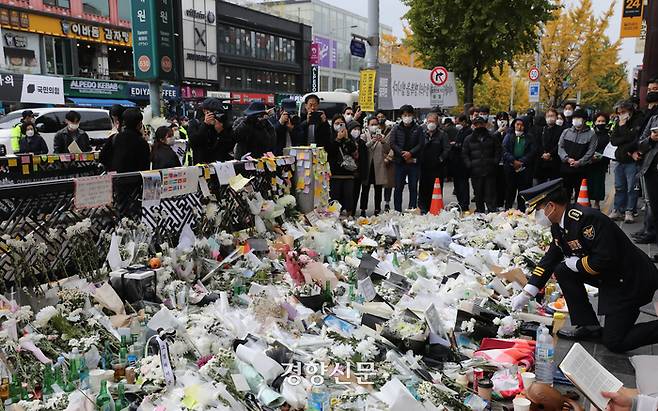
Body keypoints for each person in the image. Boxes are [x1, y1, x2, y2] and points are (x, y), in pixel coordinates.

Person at [513, 179, 658, 353]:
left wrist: (578, 264)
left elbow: (605, 259)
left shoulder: (588, 220)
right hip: (611, 274)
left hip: (630, 280)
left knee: (614, 342)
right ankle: (588, 325)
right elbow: (550, 258)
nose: (536, 215)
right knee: (562, 270)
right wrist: (528, 292)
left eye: (537, 210)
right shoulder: (559, 225)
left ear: (551, 206)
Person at [609, 100, 645, 223]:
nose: (621, 115)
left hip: (631, 161)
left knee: (631, 187)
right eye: (619, 113)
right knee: (619, 186)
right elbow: (613, 140)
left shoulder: (638, 120)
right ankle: (617, 209)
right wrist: (624, 134)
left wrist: (623, 127)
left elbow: (634, 138)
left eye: (623, 112)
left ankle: (629, 211)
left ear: (630, 110)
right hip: (619, 158)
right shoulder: (619, 122)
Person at [462, 116, 500, 213]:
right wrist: (469, 164)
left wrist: (495, 161)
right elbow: (465, 153)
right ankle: (480, 211)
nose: (479, 126)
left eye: (481, 124)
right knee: (478, 193)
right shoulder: (468, 139)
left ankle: (492, 211)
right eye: (476, 124)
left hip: (489, 169)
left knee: (490, 192)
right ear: (473, 126)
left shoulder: (492, 137)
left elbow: (498, 150)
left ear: (485, 125)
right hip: (475, 171)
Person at [558, 109, 597, 202]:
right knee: (565, 193)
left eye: (578, 118)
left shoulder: (591, 134)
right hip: (566, 168)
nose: (576, 120)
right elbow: (560, 147)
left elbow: (591, 151)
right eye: (574, 117)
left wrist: (579, 162)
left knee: (580, 195)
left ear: (584, 119)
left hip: (581, 170)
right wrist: (567, 159)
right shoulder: (566, 132)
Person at [390, 105, 423, 212]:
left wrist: (411, 153)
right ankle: (397, 211)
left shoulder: (418, 129)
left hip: (413, 162)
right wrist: (402, 153)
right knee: (398, 187)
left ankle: (412, 209)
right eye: (405, 115)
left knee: (413, 187)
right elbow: (392, 143)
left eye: (409, 115)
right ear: (401, 116)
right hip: (400, 162)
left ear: (412, 116)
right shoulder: (396, 128)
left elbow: (421, 144)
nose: (407, 117)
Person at [418, 112, 450, 214]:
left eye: (433, 121)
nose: (431, 123)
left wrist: (440, 159)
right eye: (429, 121)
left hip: (437, 167)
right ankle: (423, 208)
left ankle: (436, 207)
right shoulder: (422, 134)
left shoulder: (442, 135)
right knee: (424, 188)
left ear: (437, 122)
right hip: (424, 166)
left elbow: (447, 149)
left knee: (436, 188)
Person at [359, 117, 391, 216]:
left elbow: (387, 149)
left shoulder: (382, 136)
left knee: (378, 189)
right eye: (372, 124)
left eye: (376, 124)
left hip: (379, 166)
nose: (374, 126)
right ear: (368, 125)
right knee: (365, 189)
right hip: (367, 166)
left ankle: (377, 209)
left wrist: (383, 141)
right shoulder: (364, 135)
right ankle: (363, 209)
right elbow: (363, 148)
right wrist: (372, 141)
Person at [326, 115, 358, 215]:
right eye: (336, 124)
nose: (339, 126)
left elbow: (353, 150)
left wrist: (347, 139)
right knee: (335, 197)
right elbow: (329, 151)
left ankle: (349, 215)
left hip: (348, 172)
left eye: (341, 123)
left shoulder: (349, 137)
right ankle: (334, 216)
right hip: (335, 172)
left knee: (349, 196)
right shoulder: (330, 136)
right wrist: (338, 139)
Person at [502, 117, 535, 211]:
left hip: (524, 168)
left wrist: (522, 161)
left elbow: (532, 152)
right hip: (510, 167)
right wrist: (513, 161)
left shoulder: (530, 137)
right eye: (517, 124)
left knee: (523, 191)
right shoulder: (509, 136)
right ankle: (508, 209)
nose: (519, 127)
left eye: (522, 125)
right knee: (510, 190)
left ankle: (521, 210)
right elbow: (504, 150)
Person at [189, 98, 234, 163]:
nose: (215, 115)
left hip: (220, 165)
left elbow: (229, 146)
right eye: (213, 112)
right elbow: (194, 142)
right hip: (201, 164)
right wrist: (205, 125)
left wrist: (220, 132)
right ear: (205, 111)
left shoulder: (222, 123)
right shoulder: (195, 123)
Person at [639, 126, 658, 261]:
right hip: (653, 175)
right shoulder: (653, 120)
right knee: (655, 211)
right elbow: (640, 145)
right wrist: (651, 139)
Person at [111, 108, 150, 173]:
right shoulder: (142, 143)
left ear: (124, 122)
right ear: (140, 124)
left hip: (118, 179)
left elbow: (102, 157)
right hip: (136, 180)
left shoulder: (115, 138)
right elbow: (145, 166)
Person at [447, 114, 471, 211]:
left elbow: (465, 145)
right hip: (457, 162)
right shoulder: (460, 131)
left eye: (458, 122)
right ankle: (460, 202)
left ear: (464, 122)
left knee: (463, 184)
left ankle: (464, 203)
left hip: (463, 162)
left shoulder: (468, 131)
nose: (457, 124)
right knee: (457, 184)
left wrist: (456, 144)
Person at [535, 108, 564, 184]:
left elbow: (560, 144)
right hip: (542, 162)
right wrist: (542, 154)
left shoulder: (561, 130)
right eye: (548, 116)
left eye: (552, 116)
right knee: (540, 185)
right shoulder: (541, 129)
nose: (550, 118)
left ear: (556, 117)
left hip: (554, 161)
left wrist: (550, 154)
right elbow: (537, 143)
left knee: (553, 185)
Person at [588, 113, 611, 209]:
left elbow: (609, 148)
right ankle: (587, 200)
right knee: (588, 182)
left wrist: (600, 156)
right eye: (599, 121)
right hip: (589, 162)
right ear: (595, 122)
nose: (600, 123)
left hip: (602, 163)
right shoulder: (590, 133)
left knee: (599, 183)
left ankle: (597, 203)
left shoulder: (608, 135)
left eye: (603, 121)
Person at [99, 104, 126, 171]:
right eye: (113, 119)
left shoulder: (117, 135)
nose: (115, 121)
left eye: (116, 118)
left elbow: (102, 157)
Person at [493, 112, 510, 209]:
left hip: (506, 161)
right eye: (500, 119)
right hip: (496, 161)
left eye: (504, 119)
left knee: (506, 183)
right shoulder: (494, 131)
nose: (502, 121)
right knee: (496, 183)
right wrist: (498, 132)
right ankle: (497, 202)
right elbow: (491, 139)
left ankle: (505, 202)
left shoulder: (510, 132)